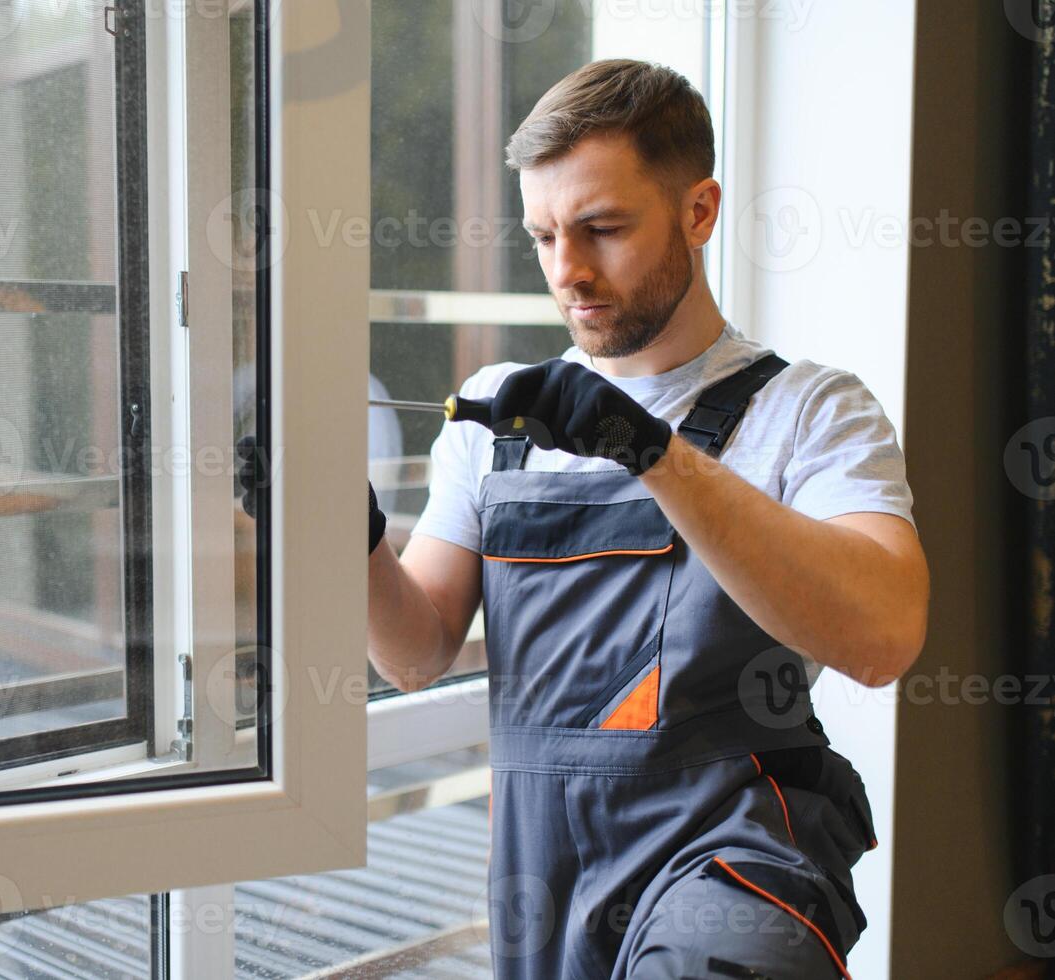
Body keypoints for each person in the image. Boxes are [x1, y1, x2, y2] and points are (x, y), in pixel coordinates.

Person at [244, 58, 928, 979]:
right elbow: (414, 653)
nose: (567, 272)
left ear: (698, 211)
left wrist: (654, 453)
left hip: (735, 849)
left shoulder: (810, 410)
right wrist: (341, 531)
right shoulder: (497, 417)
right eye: (542, 236)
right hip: (546, 866)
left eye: (602, 229)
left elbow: (884, 636)